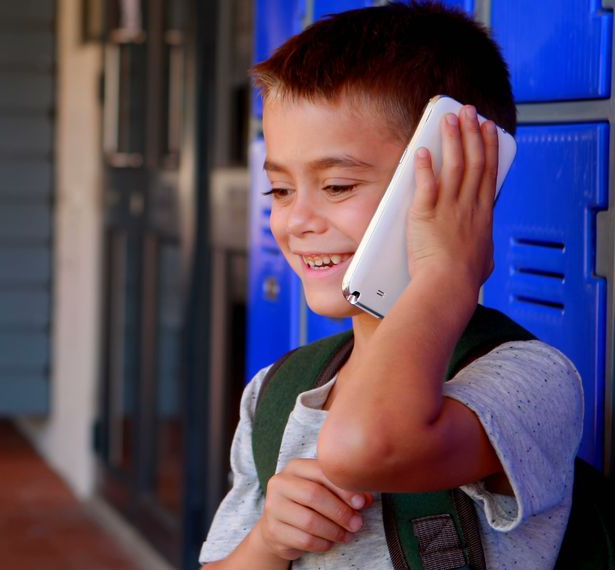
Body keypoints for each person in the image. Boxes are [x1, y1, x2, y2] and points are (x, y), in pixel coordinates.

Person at [199, 2, 583, 568]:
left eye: (335, 185)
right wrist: (268, 542)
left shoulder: (527, 381)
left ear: (455, 181)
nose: (295, 220)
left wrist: (448, 272)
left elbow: (365, 447)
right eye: (279, 191)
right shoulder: (277, 393)